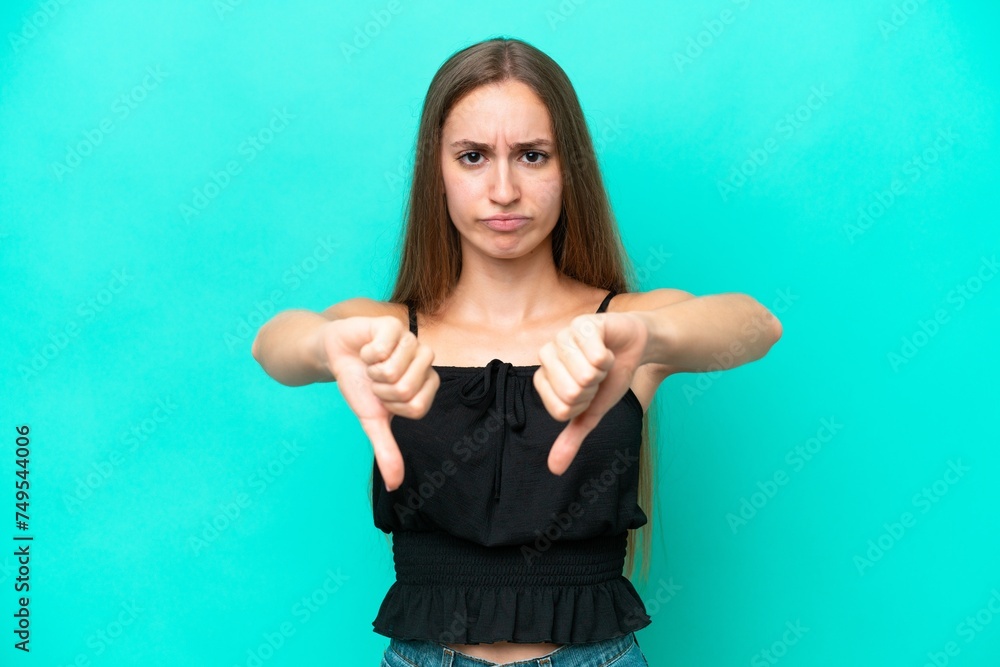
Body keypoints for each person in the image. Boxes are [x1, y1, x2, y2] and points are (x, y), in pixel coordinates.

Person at [252, 36, 781, 667]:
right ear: (436, 172)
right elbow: (273, 344)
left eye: (532, 156)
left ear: (569, 169)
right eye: (473, 157)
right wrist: (323, 344)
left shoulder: (621, 326)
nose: (503, 190)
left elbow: (756, 325)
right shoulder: (388, 330)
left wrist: (651, 336)